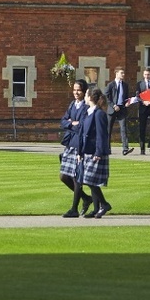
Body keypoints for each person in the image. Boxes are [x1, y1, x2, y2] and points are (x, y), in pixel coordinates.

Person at [78, 89, 113, 217]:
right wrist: (80, 152)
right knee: (89, 180)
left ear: (90, 97)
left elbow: (101, 135)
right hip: (88, 151)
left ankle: (104, 204)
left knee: (89, 180)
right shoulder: (88, 112)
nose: (84, 98)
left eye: (86, 95)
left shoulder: (99, 114)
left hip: (96, 152)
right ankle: (96, 209)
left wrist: (98, 152)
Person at [59, 81, 91, 217]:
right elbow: (63, 121)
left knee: (77, 177)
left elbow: (82, 126)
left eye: (78, 90)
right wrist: (72, 123)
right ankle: (86, 198)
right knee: (64, 176)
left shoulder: (86, 107)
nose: (76, 92)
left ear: (84, 91)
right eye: (74, 90)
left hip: (79, 144)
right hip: (70, 143)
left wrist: (70, 123)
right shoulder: (72, 104)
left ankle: (74, 209)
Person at [104, 67, 133, 155]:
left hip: (122, 109)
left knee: (123, 128)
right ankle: (107, 148)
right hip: (112, 109)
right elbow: (106, 96)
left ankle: (125, 148)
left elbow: (126, 97)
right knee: (108, 129)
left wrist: (127, 102)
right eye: (121, 73)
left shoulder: (125, 85)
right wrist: (113, 105)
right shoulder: (111, 85)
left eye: (123, 73)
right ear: (116, 73)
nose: (123, 75)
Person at [134, 68, 150, 154]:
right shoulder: (140, 84)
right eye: (145, 74)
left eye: (148, 74)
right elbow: (137, 96)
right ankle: (142, 148)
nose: (146, 76)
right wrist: (143, 101)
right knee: (142, 128)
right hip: (144, 107)